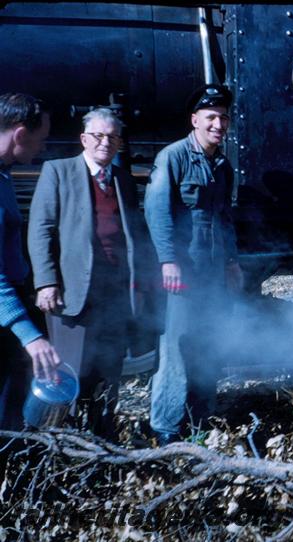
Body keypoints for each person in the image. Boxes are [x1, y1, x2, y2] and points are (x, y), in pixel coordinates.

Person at [28, 108, 150, 438]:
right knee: (69, 373)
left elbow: (132, 234)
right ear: (84, 139)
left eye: (112, 137)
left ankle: (102, 442)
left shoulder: (122, 179)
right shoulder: (58, 171)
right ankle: (57, 446)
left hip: (115, 293)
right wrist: (46, 281)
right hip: (73, 294)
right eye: (98, 136)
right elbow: (41, 229)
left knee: (108, 372)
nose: (105, 143)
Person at [144, 83, 243, 446]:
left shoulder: (222, 165)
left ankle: (198, 418)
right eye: (212, 117)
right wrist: (168, 260)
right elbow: (157, 212)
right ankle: (165, 428)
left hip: (213, 271)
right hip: (184, 272)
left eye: (224, 118)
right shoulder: (172, 157)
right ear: (195, 119)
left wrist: (232, 262)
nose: (219, 124)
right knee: (176, 345)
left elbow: (224, 217)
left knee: (207, 342)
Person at [0, 92, 60, 430]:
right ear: (20, 134)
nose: (43, 148)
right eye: (40, 140)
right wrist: (30, 336)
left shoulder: (4, 174)